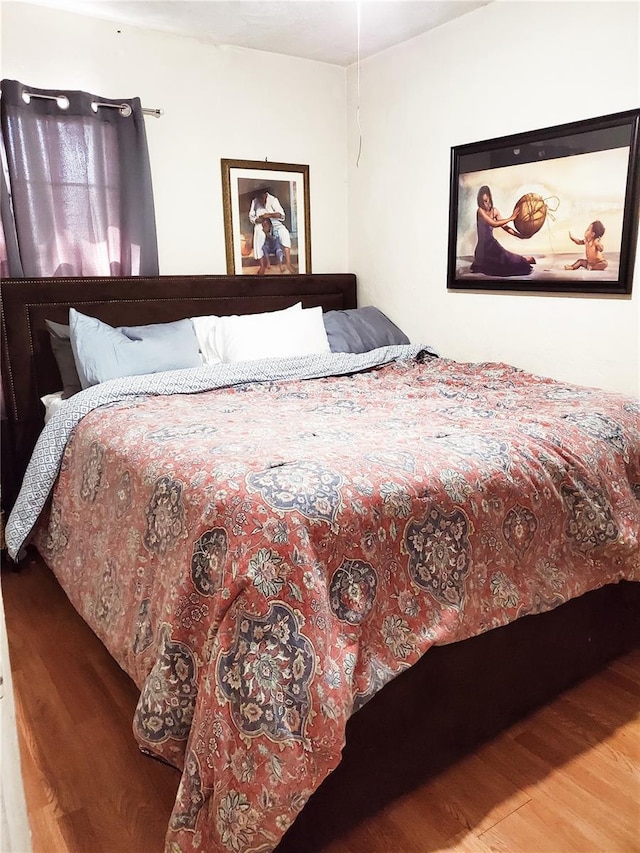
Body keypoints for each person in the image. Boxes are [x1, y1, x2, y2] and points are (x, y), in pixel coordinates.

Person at [470, 185, 535, 277]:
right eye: (482, 201)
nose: (485, 204)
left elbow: (505, 227)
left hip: (492, 244)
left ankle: (524, 259)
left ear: (489, 198)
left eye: (486, 200)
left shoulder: (494, 211)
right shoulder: (480, 211)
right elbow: (494, 223)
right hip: (483, 250)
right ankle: (525, 259)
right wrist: (511, 218)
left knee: (508, 258)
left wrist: (520, 236)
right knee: (504, 265)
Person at [249, 188, 296, 274]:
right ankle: (262, 265)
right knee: (260, 235)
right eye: (258, 198)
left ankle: (288, 263)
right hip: (261, 224)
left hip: (274, 222)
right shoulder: (255, 201)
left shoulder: (273, 200)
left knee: (284, 232)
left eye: (261, 198)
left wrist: (269, 215)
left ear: (265, 195)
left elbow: (281, 215)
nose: (260, 200)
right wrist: (259, 219)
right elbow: (251, 217)